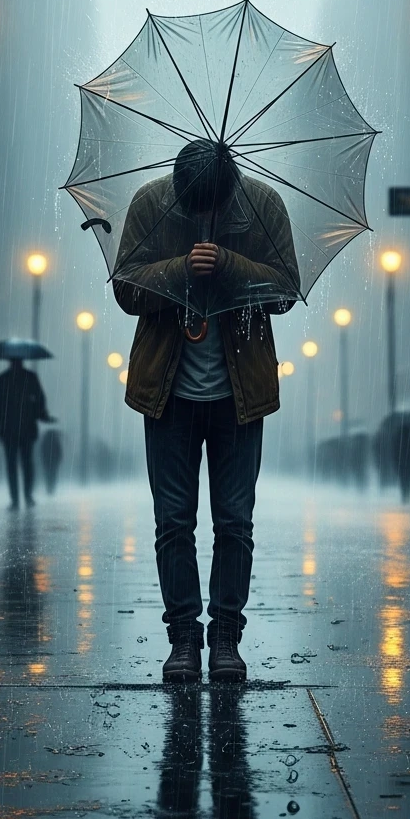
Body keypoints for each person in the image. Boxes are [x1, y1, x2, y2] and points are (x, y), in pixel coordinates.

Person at [113, 138, 299, 684]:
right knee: (173, 522)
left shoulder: (262, 207)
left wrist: (230, 265)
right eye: (191, 206)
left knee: (235, 523)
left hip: (240, 396)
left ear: (228, 194)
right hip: (167, 394)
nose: (202, 217)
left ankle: (225, 638)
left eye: (211, 207)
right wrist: (179, 270)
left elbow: (285, 289)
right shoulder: (151, 205)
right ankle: (183, 642)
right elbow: (125, 287)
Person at [0, 358, 53, 509]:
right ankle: (26, 496)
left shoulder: (4, 378)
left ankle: (16, 498)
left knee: (14, 465)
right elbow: (40, 400)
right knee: (26, 464)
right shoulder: (30, 378)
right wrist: (40, 413)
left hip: (10, 430)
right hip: (25, 429)